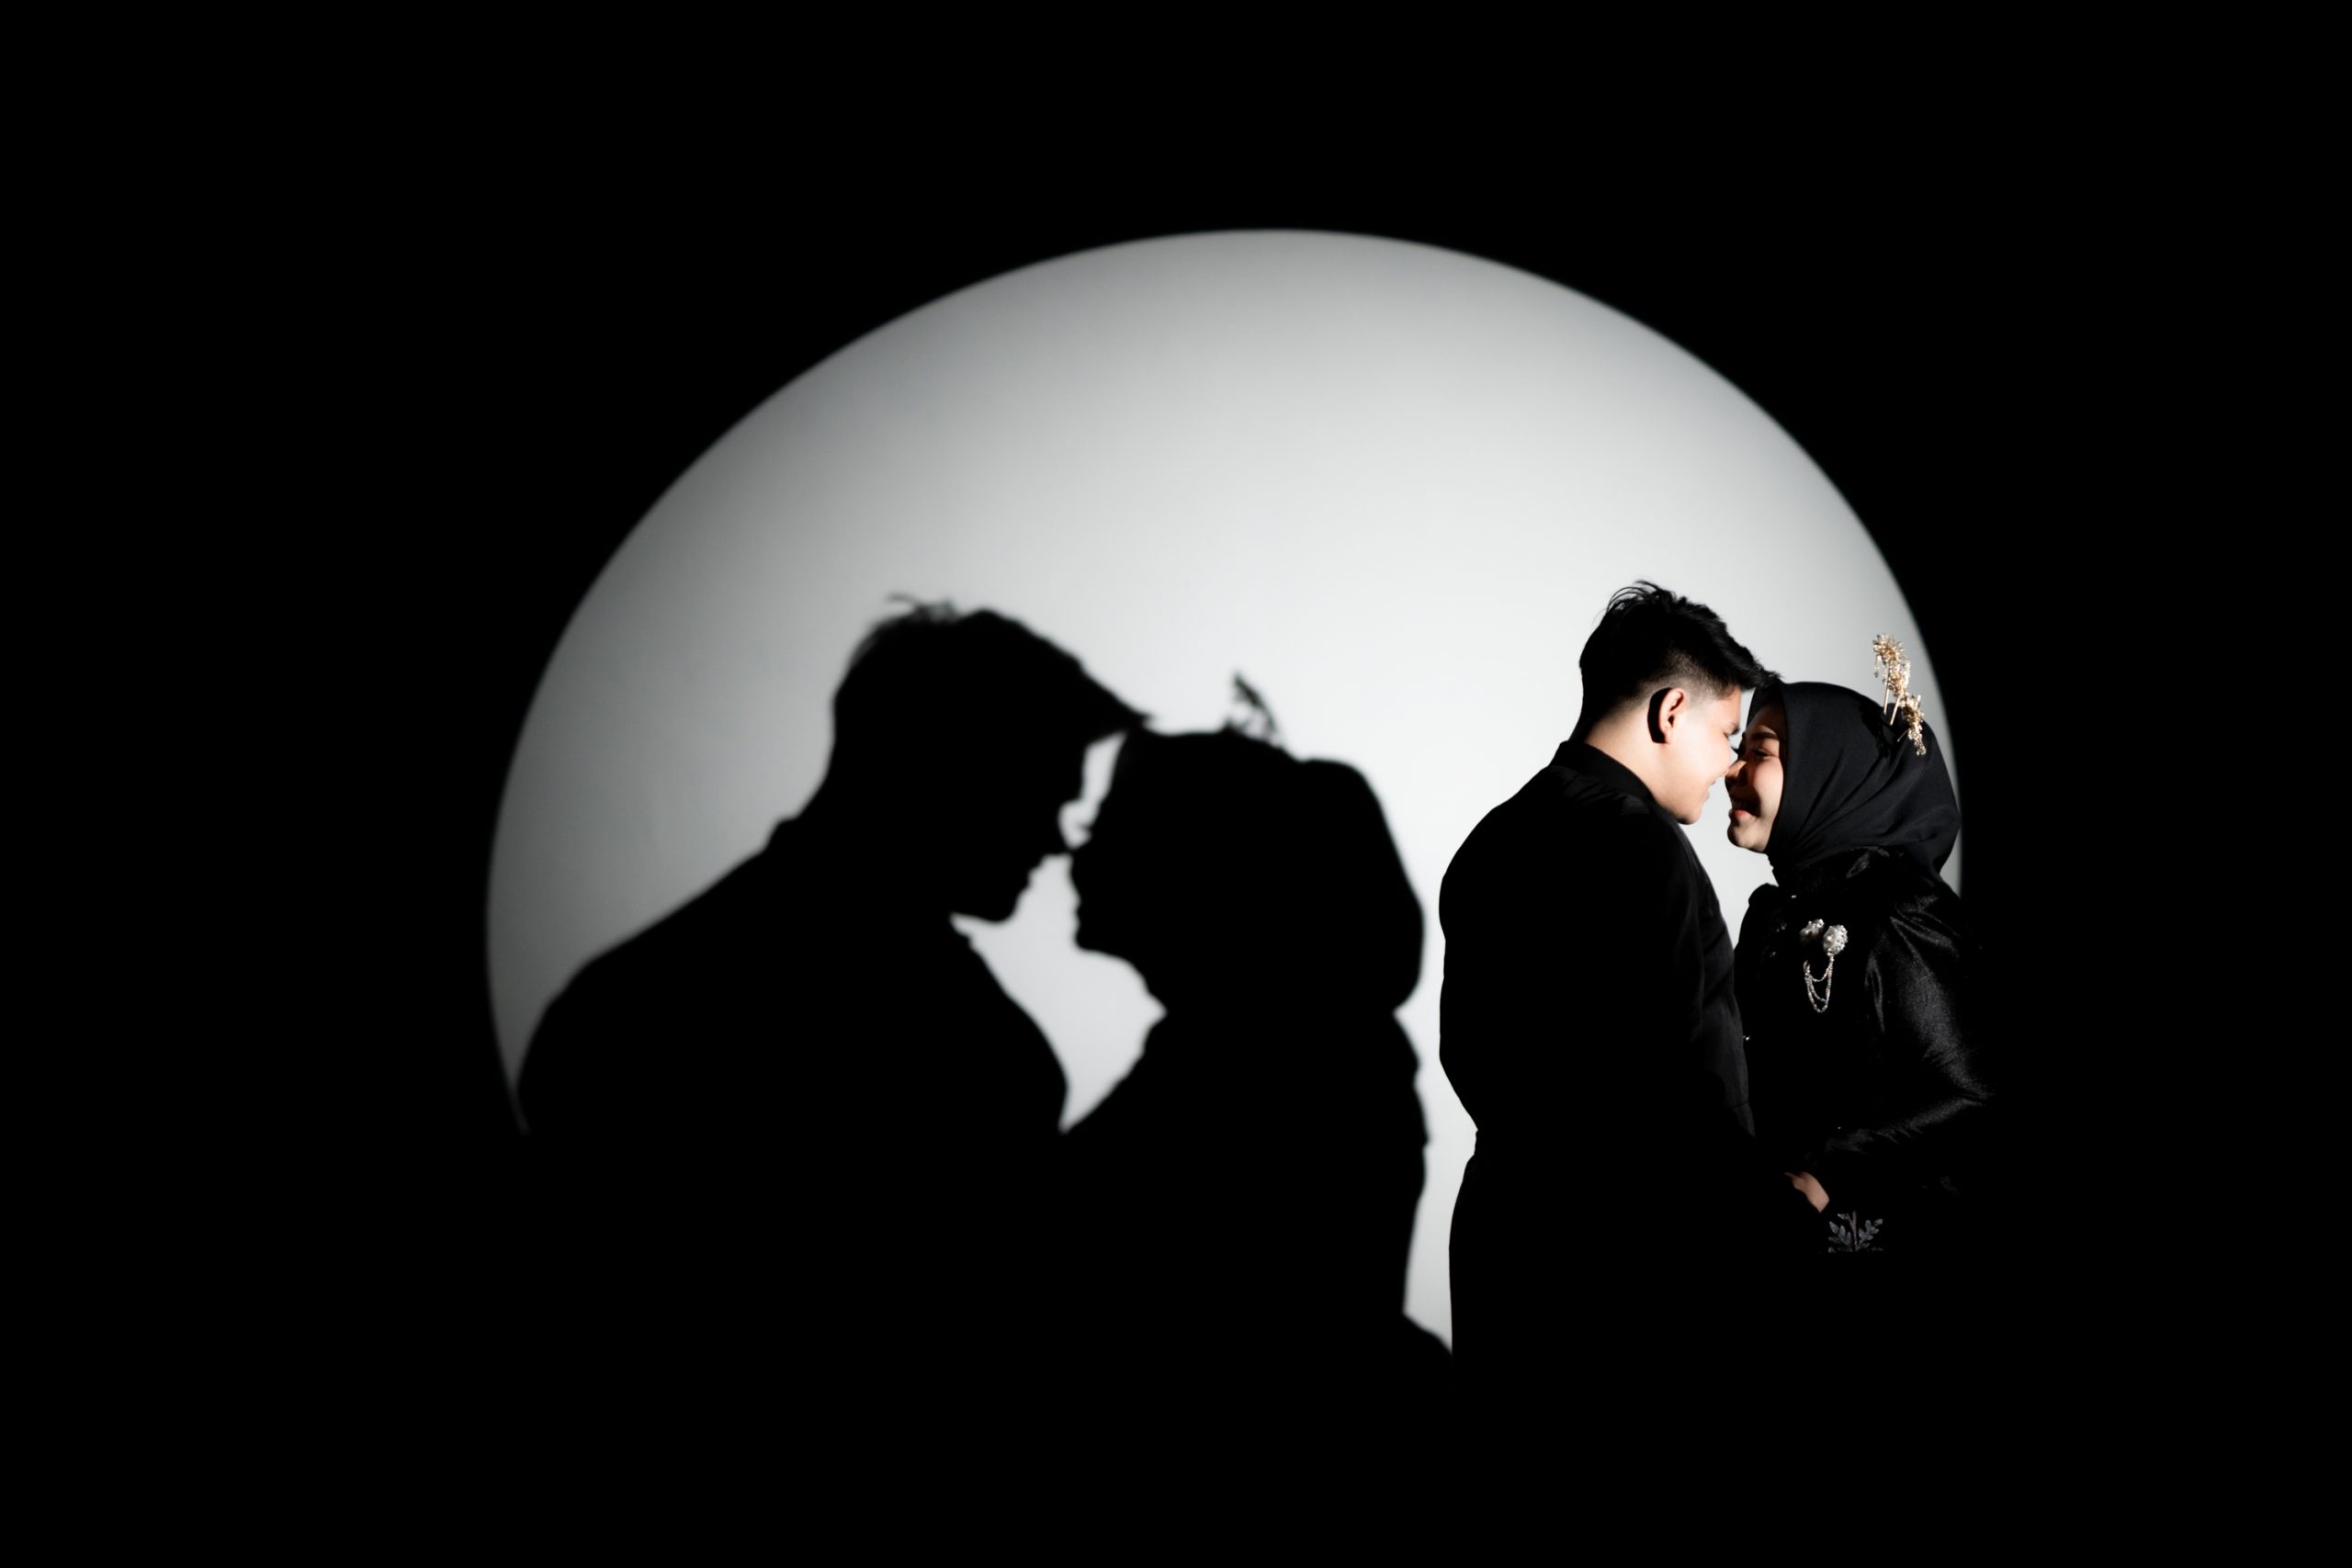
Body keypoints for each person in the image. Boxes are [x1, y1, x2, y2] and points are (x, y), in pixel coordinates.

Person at [514, 602, 1140, 1395]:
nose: (1055, 841)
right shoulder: (981, 1056)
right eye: (1042, 796)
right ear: (945, 769)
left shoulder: (620, 1001)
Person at [1437, 581, 1820, 1407]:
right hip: (1628, 1275)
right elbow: (1680, 1095)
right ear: (1672, 711)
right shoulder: (1642, 851)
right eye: (1725, 734)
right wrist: (1784, 1215)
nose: (1728, 764)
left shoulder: (1493, 838)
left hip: (1504, 1241)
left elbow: (1465, 1051)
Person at [1057, 704, 1447, 1422]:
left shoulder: (1257, 1074)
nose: (1074, 855)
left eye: (1104, 825)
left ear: (1193, 861)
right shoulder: (1288, 1056)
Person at [1724, 642, 1994, 1254]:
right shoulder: (1776, 915)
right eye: (1739, 751)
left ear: (1828, 771)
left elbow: (1972, 1095)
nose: (1731, 771)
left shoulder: (1899, 912)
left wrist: (1828, 1172)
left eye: (1759, 752)